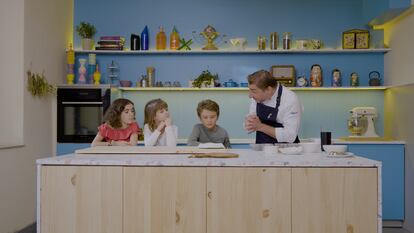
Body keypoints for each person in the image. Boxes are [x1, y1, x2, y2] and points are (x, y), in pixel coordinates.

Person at [244, 70, 302, 144]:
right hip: (262, 149)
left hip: (287, 151)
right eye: (249, 90)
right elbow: (251, 122)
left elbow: (290, 136)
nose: (249, 95)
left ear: (268, 89)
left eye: (253, 91)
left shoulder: (290, 99)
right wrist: (249, 122)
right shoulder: (256, 97)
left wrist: (260, 126)